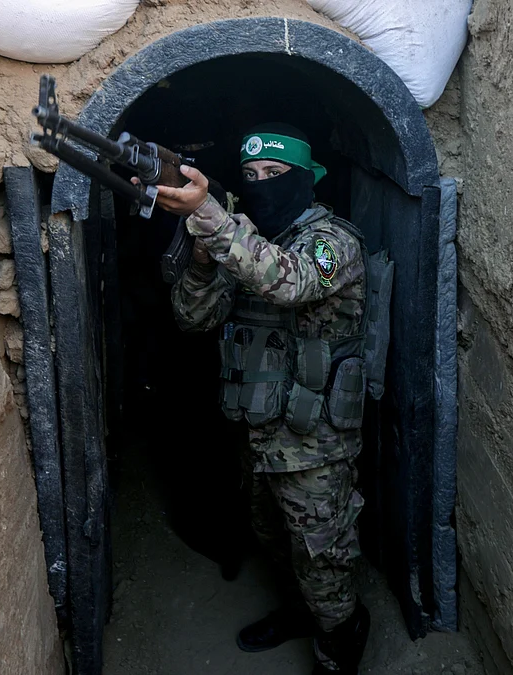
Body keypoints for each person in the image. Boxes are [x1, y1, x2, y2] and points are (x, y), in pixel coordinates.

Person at [151, 123, 371, 675]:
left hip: (314, 438)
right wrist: (203, 260)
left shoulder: (332, 242)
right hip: (257, 429)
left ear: (305, 177)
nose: (261, 185)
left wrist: (211, 217)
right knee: (274, 537)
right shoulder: (240, 245)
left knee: (324, 553)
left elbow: (289, 282)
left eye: (274, 174)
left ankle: (340, 641)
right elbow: (192, 318)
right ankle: (303, 614)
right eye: (250, 176)